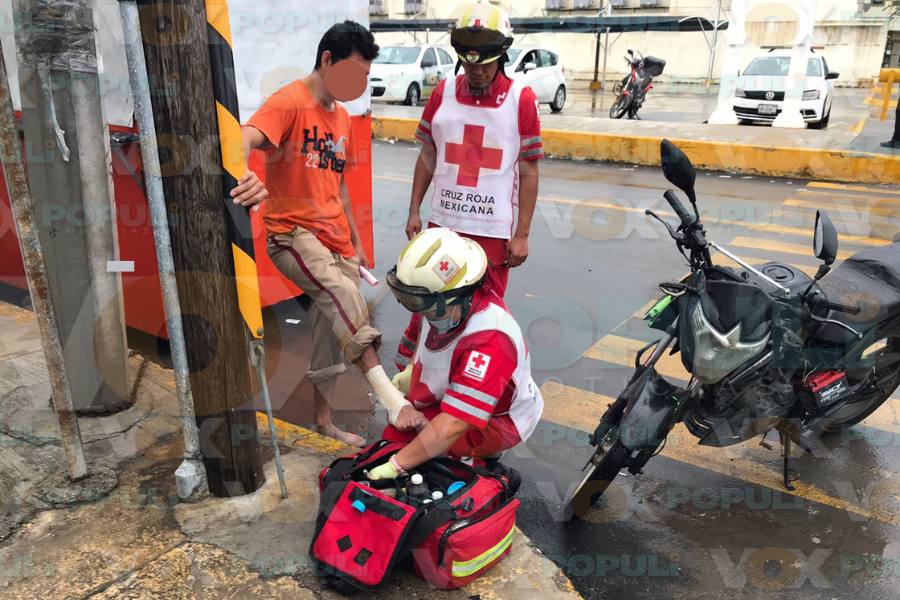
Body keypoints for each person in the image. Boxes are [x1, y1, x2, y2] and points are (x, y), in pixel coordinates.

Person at [230, 21, 427, 446]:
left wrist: (355, 241)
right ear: (326, 60)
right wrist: (243, 172)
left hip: (336, 240)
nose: (359, 84)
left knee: (330, 333)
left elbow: (337, 185)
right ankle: (393, 398)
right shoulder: (289, 102)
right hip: (292, 234)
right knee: (344, 295)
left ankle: (324, 421)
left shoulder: (341, 117)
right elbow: (242, 138)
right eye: (355, 74)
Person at [394, 2, 544, 371]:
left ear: (502, 56)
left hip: (492, 232)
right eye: (470, 63)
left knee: (484, 313)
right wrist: (415, 210)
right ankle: (422, 381)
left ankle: (477, 383)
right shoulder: (442, 92)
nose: (477, 72)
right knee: (430, 302)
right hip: (443, 224)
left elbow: (529, 169)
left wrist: (522, 233)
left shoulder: (520, 98)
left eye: (486, 64)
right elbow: (429, 154)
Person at [365, 228, 544, 480]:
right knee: (395, 437)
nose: (419, 312)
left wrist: (397, 465)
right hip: (451, 396)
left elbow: (455, 423)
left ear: (463, 293)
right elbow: (418, 341)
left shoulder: (491, 338)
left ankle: (483, 475)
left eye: (422, 305)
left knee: (442, 467)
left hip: (499, 419)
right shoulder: (435, 303)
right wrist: (409, 373)